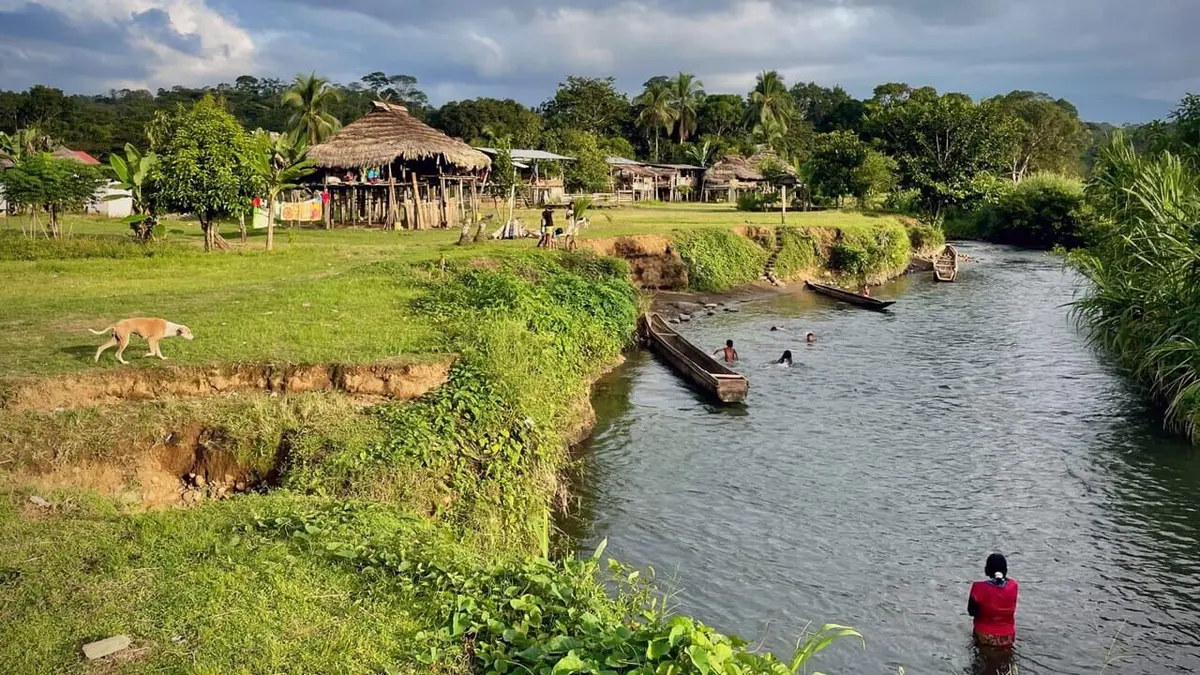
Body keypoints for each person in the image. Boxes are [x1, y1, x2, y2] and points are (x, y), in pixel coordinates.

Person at [968, 553, 1019, 648]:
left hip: (984, 636)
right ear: (1006, 571)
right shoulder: (1013, 586)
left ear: (986, 570)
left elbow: (971, 612)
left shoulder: (978, 588)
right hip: (1007, 637)